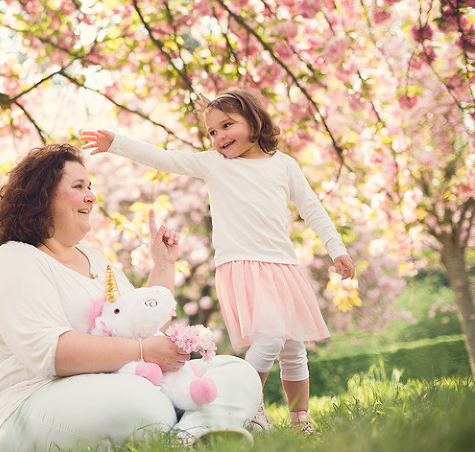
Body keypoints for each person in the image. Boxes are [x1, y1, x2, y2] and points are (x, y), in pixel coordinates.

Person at [81, 88, 356, 435]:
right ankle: (247, 407)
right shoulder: (215, 164)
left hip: (283, 267)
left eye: (227, 125)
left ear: (254, 121)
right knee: (271, 338)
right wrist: (116, 143)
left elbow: (312, 208)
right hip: (243, 266)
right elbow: (165, 158)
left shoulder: (284, 165)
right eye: (212, 132)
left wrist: (336, 248)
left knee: (293, 347)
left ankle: (300, 418)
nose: (219, 137)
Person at [0, 143, 263, 451]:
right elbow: (51, 353)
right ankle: (199, 425)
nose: (91, 196)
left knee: (237, 372)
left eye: (90, 186)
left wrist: (164, 266)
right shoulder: (15, 259)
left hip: (120, 384)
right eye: (78, 186)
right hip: (32, 401)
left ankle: (188, 439)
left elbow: (142, 329)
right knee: (145, 405)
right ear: (42, 196)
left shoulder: (96, 260)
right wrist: (142, 351)